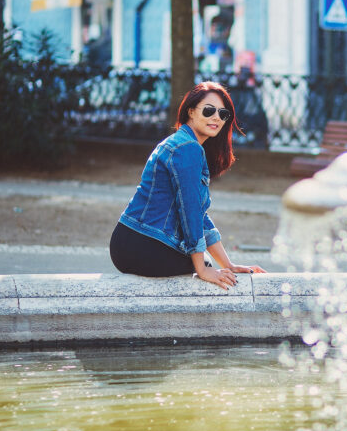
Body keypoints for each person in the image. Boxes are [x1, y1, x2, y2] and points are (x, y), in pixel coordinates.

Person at [110, 81, 265, 289]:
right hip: (142, 244)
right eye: (209, 111)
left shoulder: (179, 142)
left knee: (212, 266)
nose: (216, 118)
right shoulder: (188, 149)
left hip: (129, 242)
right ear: (191, 112)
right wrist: (202, 268)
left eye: (223, 114)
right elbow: (190, 210)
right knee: (205, 267)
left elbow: (198, 213)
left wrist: (227, 264)